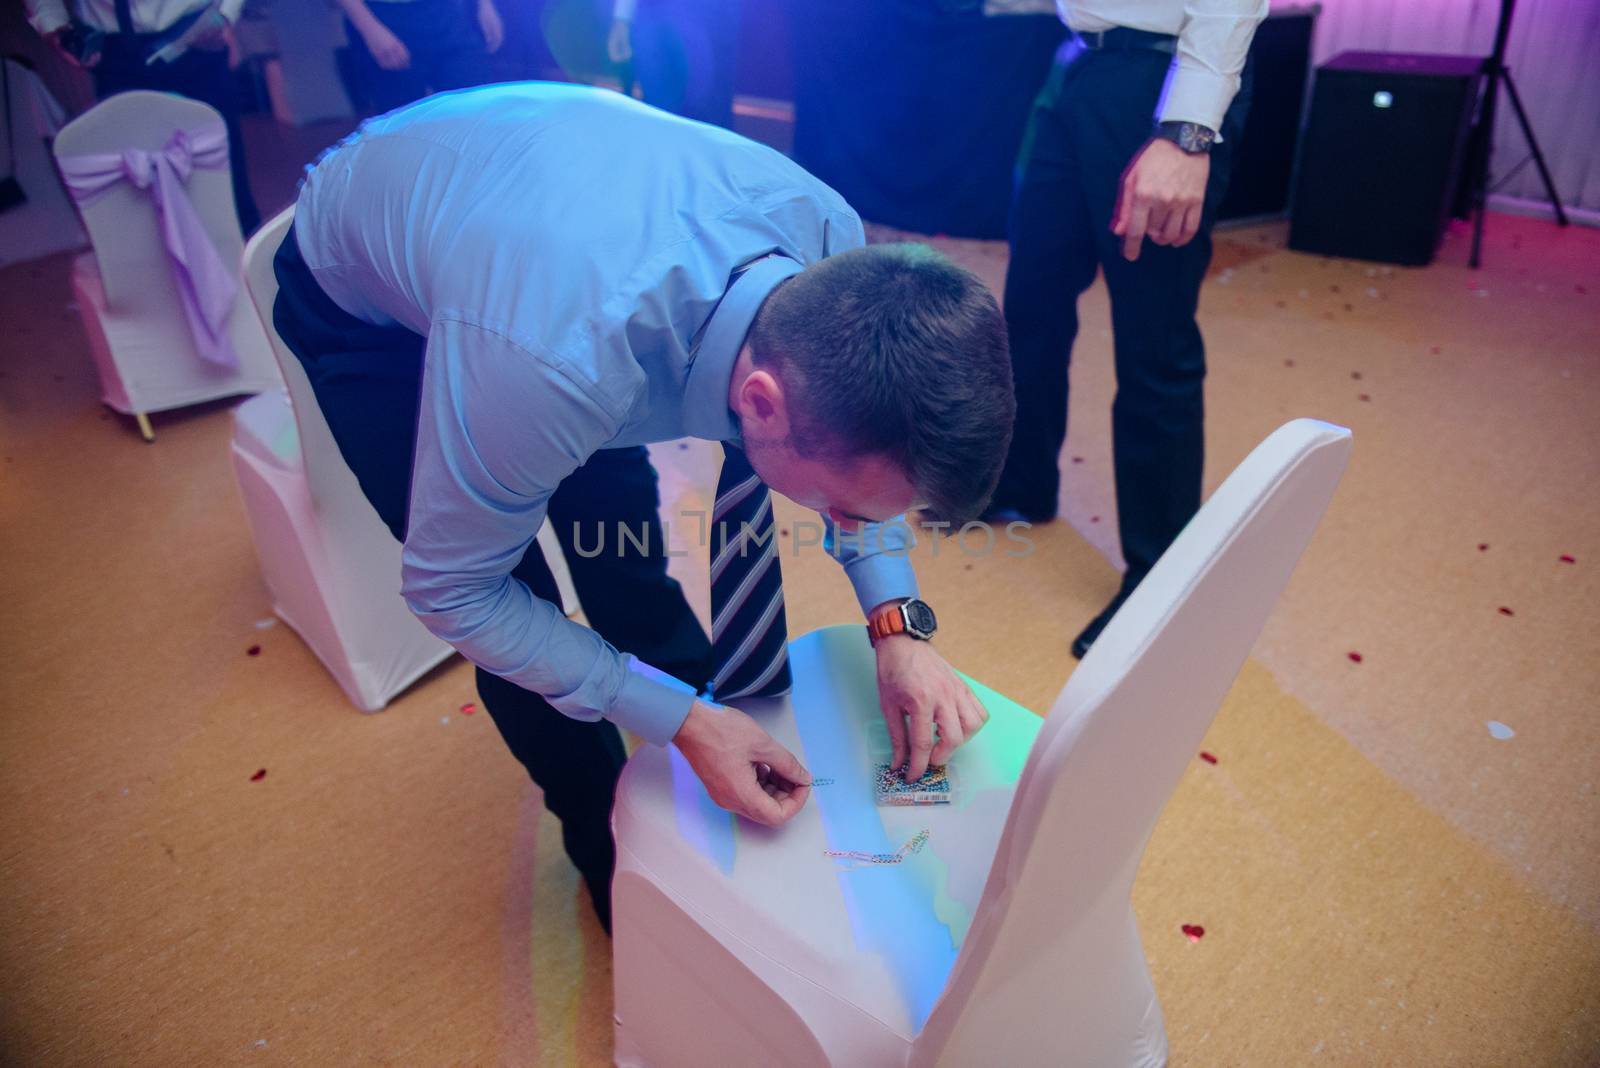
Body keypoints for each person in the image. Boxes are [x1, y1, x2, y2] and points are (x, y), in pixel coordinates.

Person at [272, 82, 1014, 931]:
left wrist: (897, 624)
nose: (851, 520)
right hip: (368, 296)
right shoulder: (550, 367)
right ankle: (607, 846)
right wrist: (676, 719)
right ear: (763, 403)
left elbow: (864, 467)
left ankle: (699, 723)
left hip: (534, 227)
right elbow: (457, 595)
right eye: (841, 508)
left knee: (617, 534)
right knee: (516, 597)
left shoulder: (830, 246)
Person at [986, 0, 1266, 658]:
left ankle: (1159, 582)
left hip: (1164, 84)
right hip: (1076, 64)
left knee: (1153, 342)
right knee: (1032, 302)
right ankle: (1022, 480)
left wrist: (1188, 132)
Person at [25, 0, 262, 233]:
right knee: (139, 185)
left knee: (227, 181)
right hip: (112, 49)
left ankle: (245, 255)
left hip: (196, 32)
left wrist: (226, 13)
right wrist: (53, 24)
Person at [335, 0, 504, 115]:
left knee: (479, 108)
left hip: (447, 11)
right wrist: (369, 28)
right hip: (383, 15)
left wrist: (484, 4)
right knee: (402, 123)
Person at [607, 0, 738, 129]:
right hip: (655, 12)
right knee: (660, 113)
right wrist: (622, 18)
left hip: (711, 12)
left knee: (710, 116)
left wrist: (622, 17)